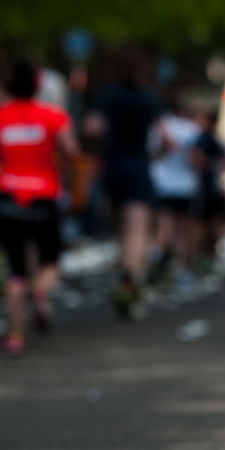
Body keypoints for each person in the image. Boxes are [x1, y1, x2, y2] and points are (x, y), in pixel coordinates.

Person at [0, 61, 78, 356]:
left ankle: (15, 336)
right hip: (44, 195)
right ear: (37, 85)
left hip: (7, 197)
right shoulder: (52, 116)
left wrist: (3, 170)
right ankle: (40, 289)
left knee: (15, 270)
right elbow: (72, 151)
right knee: (52, 263)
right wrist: (63, 175)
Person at [87, 47, 162, 317]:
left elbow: (92, 127)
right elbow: (164, 136)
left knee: (120, 226)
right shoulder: (148, 98)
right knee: (137, 227)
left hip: (113, 165)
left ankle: (124, 271)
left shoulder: (107, 95)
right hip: (138, 165)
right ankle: (132, 275)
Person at [148, 107, 203, 288]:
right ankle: (182, 270)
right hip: (186, 186)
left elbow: (154, 153)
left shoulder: (162, 126)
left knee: (164, 228)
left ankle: (157, 261)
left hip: (164, 185)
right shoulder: (193, 129)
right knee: (184, 232)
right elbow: (197, 160)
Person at [187, 103, 225, 274]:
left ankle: (207, 258)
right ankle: (201, 258)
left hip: (209, 189)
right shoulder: (198, 138)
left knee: (211, 226)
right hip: (201, 190)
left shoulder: (206, 139)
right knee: (200, 227)